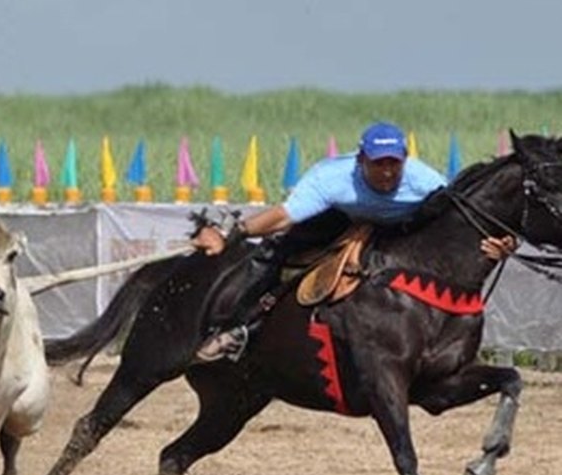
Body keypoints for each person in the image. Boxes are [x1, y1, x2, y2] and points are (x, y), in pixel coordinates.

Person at [191, 121, 516, 363]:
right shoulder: (331, 178)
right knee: (275, 255)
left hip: (402, 226)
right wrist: (234, 233)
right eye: (378, 163)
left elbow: (458, 222)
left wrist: (504, 244)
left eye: (394, 162)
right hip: (338, 218)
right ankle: (237, 327)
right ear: (361, 159)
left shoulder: (425, 181)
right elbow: (284, 216)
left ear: (405, 158)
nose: (387, 172)